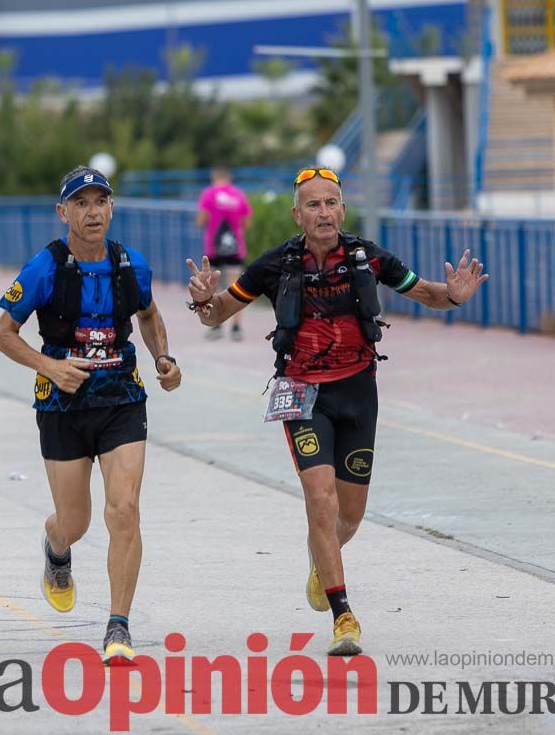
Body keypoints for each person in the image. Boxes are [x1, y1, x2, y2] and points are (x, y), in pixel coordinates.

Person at [185, 166, 488, 657]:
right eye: (313, 204)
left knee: (349, 514)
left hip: (357, 392)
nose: (323, 211)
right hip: (302, 392)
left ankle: (321, 562)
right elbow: (219, 311)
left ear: (342, 210)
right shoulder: (276, 264)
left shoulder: (367, 258)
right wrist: (202, 300)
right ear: (297, 214)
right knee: (319, 499)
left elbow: (430, 294)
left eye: (331, 203)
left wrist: (455, 296)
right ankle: (343, 614)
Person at [0, 166, 182, 666]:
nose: (92, 212)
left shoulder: (130, 264)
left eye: (101, 202)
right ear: (63, 213)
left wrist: (163, 357)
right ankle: (56, 549)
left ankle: (118, 625)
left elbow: (148, 313)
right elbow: (3, 333)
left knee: (124, 509)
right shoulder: (45, 267)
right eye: (81, 204)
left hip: (122, 396)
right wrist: (50, 366)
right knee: (74, 521)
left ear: (112, 208)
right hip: (62, 405)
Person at [196, 166, 251, 341]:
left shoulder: (209, 194)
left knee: (214, 288)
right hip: (235, 246)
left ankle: (216, 326)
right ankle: (236, 328)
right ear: (229, 178)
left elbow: (201, 220)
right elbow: (247, 222)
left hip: (214, 247)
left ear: (214, 177)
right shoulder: (238, 195)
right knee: (237, 288)